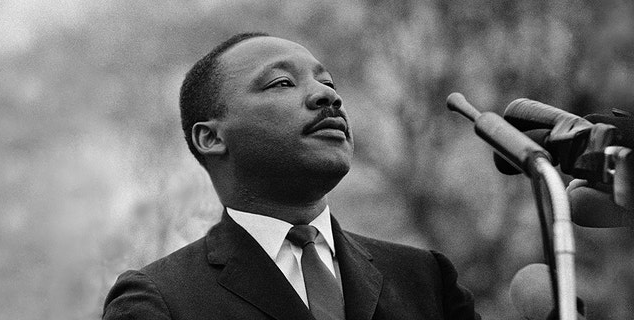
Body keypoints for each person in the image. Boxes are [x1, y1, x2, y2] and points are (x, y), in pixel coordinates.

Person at [103, 32, 480, 320]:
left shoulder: (425, 277)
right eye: (282, 83)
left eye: (329, 83)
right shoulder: (160, 299)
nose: (326, 97)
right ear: (212, 137)